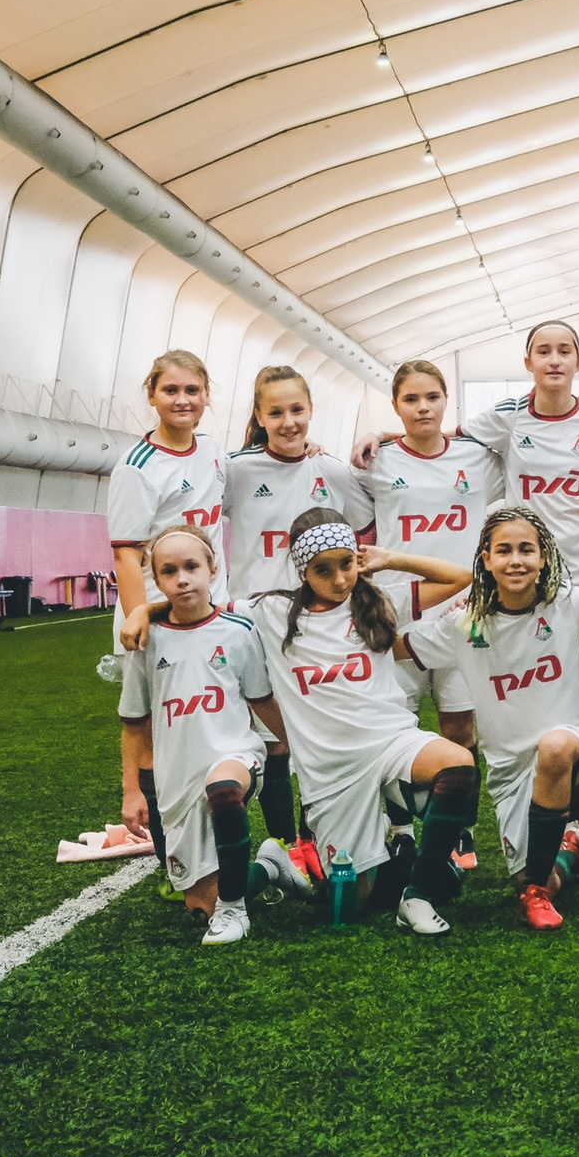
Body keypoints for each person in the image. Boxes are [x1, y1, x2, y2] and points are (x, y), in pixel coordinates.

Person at [244, 510, 478, 936]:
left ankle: (418, 894)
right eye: (323, 570)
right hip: (332, 769)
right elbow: (202, 609)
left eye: (347, 563)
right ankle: (280, 868)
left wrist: (391, 558)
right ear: (302, 571)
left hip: (391, 741)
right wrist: (145, 612)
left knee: (458, 764)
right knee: (348, 906)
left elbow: (460, 577)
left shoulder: (377, 602)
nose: (339, 580)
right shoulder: (272, 611)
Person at [402, 509, 579, 931]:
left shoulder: (568, 603)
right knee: (535, 873)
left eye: (526, 550)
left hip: (574, 742)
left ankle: (535, 895)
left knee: (553, 748)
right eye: (504, 551)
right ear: (486, 559)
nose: (516, 560)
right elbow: (397, 646)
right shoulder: (464, 624)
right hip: (510, 768)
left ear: (543, 557)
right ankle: (570, 850)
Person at [117, 523, 287, 944]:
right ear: (157, 580)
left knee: (224, 790)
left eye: (192, 567)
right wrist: (132, 791)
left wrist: (292, 743)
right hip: (177, 778)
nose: (182, 579)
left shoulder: (239, 631)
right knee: (200, 907)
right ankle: (270, 867)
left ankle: (235, 912)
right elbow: (133, 723)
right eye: (169, 571)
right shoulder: (146, 641)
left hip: (235, 756)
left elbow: (262, 700)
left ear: (213, 569)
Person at [223, 364, 361, 857]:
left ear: (311, 411)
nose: (288, 422)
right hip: (256, 625)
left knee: (321, 734)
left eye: (297, 410)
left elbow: (363, 527)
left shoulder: (334, 471)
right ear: (259, 416)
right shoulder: (235, 470)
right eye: (276, 412)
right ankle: (288, 847)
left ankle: (318, 836)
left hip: (319, 624)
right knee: (275, 742)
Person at [107, 350, 230, 896]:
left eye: (192, 390)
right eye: (171, 390)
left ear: (206, 396)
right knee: (157, 740)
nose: (182, 400)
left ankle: (215, 847)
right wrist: (143, 617)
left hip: (212, 617)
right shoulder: (137, 465)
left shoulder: (214, 452)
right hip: (159, 619)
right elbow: (126, 553)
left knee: (210, 729)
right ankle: (170, 864)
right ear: (152, 395)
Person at [352, 359, 499, 754]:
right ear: (395, 405)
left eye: (432, 397)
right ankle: (402, 801)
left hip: (464, 610)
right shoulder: (373, 462)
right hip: (397, 609)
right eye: (411, 399)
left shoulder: (479, 459)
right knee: (397, 727)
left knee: (460, 729)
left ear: (447, 400)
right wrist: (376, 436)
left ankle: (460, 798)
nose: (423, 407)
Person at [455, 321, 579, 595]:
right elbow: (440, 438)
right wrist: (383, 436)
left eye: (564, 352)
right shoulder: (509, 416)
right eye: (544, 352)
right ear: (528, 362)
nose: (554, 361)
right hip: (524, 568)